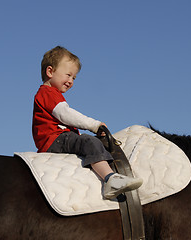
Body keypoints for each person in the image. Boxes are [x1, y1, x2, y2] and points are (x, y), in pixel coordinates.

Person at [32, 46, 142, 199]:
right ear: (50, 71)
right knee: (89, 142)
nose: (70, 81)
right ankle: (110, 179)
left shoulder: (50, 93)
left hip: (59, 138)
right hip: (55, 139)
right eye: (68, 75)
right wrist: (94, 125)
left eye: (74, 78)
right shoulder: (48, 93)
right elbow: (65, 114)